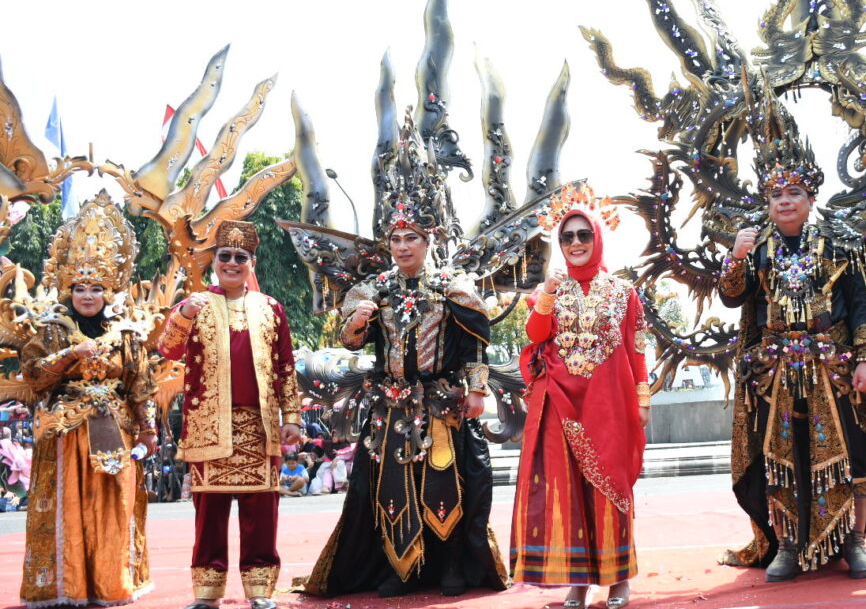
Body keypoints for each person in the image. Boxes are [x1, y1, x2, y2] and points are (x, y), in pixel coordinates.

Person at [298, 179, 509, 599]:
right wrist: (356, 323)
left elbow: (475, 344)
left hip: (441, 401)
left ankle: (450, 565)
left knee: (444, 482)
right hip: (391, 404)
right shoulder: (375, 289)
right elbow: (352, 341)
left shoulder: (453, 286)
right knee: (391, 486)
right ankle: (400, 568)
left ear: (428, 241)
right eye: (395, 238)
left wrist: (477, 391)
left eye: (411, 237)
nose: (402, 246)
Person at [717, 137, 866, 582]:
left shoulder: (840, 242)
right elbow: (731, 298)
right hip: (775, 372)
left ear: (810, 198)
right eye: (776, 194)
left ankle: (854, 542)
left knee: (851, 453)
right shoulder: (756, 247)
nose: (785, 201)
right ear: (768, 201)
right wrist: (735, 258)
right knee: (779, 458)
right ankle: (787, 545)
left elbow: (861, 305)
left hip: (832, 367)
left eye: (794, 193)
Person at [510, 185, 649, 609]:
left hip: (610, 404)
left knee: (612, 486)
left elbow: (636, 348)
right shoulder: (547, 292)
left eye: (582, 235)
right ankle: (578, 583)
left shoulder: (623, 292)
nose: (574, 243)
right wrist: (548, 295)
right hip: (562, 408)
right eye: (567, 237)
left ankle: (619, 581)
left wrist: (642, 400)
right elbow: (535, 336)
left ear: (596, 239)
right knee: (567, 492)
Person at [18, 192, 158, 606]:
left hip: (116, 430)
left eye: (96, 287)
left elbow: (141, 385)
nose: (87, 295)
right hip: (66, 434)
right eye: (80, 287)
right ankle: (69, 587)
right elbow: (34, 378)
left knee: (114, 505)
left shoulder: (127, 334)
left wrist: (148, 429)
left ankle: (112, 584)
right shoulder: (51, 331)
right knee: (69, 506)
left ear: (109, 291)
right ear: (69, 288)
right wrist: (68, 355)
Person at [158, 220, 304, 609]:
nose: (233, 262)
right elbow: (167, 349)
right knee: (209, 513)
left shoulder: (271, 308)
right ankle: (207, 593)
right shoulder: (194, 304)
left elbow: (285, 367)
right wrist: (183, 314)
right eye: (225, 256)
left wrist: (292, 417)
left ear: (252, 263)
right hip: (208, 424)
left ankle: (260, 592)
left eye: (241, 257)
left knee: (261, 512)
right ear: (215, 262)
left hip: (259, 426)